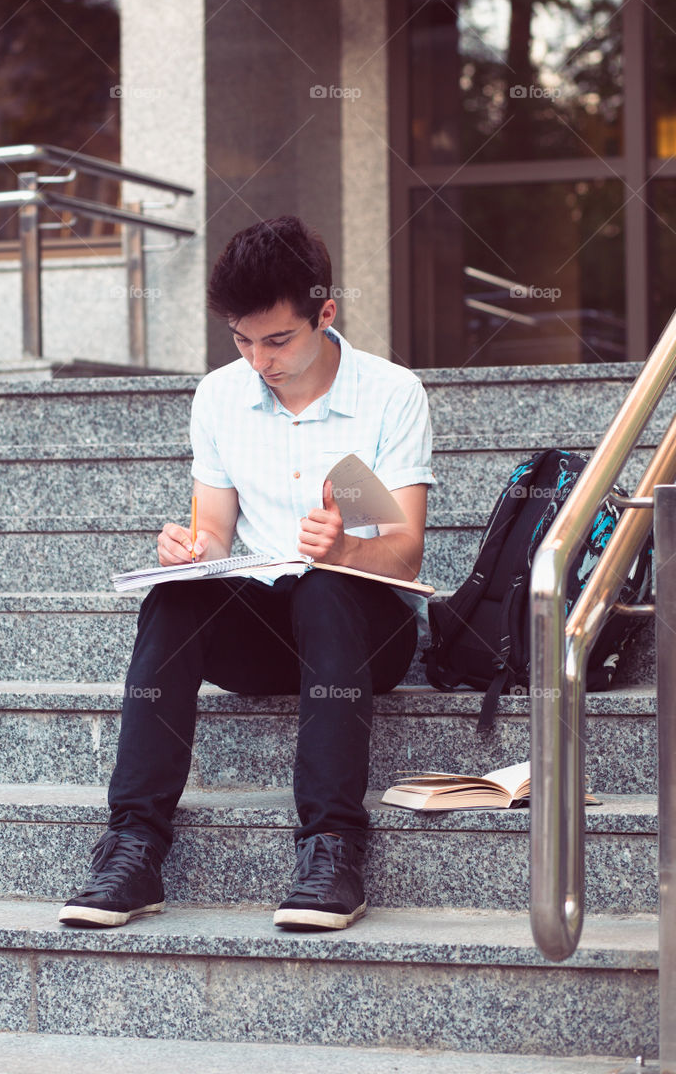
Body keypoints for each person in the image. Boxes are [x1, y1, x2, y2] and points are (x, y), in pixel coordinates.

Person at [59, 215, 435, 932]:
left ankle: (331, 849)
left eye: (278, 340)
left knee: (325, 585)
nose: (258, 360)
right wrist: (186, 550)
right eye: (241, 339)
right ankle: (133, 847)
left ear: (325, 313)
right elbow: (214, 534)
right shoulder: (220, 396)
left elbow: (405, 553)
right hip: (266, 630)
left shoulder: (389, 394)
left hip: (363, 634)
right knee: (174, 598)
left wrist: (345, 550)